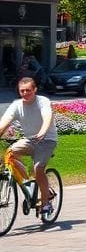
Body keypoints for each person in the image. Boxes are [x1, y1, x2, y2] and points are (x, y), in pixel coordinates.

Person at [0, 77, 57, 215]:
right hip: (29, 140)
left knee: (38, 168)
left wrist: (43, 131)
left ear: (35, 90)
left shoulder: (42, 101)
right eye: (22, 91)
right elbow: (4, 123)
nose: (25, 93)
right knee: (9, 154)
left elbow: (47, 116)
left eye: (28, 91)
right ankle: (28, 183)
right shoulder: (17, 105)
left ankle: (46, 203)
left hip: (47, 140)